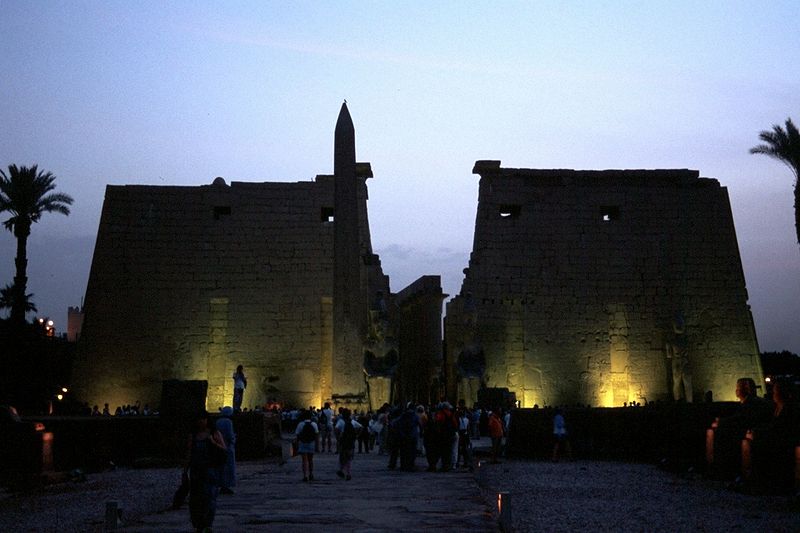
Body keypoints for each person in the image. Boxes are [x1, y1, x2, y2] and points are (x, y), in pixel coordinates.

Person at [187, 411, 226, 533]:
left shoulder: (214, 433)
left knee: (209, 497)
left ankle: (207, 523)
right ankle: (198, 523)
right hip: (196, 469)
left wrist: (213, 443)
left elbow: (223, 449)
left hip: (210, 468)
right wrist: (185, 470)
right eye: (199, 419)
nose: (201, 422)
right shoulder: (193, 435)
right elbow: (188, 454)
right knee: (195, 498)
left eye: (203, 419)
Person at [335, 408, 362, 480]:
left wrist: (338, 438)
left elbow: (336, 429)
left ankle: (341, 470)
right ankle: (348, 473)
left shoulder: (340, 421)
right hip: (351, 442)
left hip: (343, 442)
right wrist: (356, 435)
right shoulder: (352, 421)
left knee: (342, 457)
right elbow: (360, 427)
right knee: (349, 458)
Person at [215, 406, 237, 494]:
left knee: (221, 467)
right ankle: (226, 485)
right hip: (227, 446)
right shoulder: (228, 422)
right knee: (228, 466)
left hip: (219, 446)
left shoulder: (218, 421)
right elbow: (230, 435)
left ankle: (221, 484)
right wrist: (233, 440)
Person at [295, 410, 319, 481]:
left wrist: (296, 445)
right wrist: (317, 446)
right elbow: (316, 435)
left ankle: (305, 475)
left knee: (304, 460)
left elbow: (297, 435)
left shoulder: (300, 424)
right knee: (310, 460)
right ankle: (311, 474)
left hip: (303, 443)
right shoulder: (314, 424)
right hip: (311, 443)